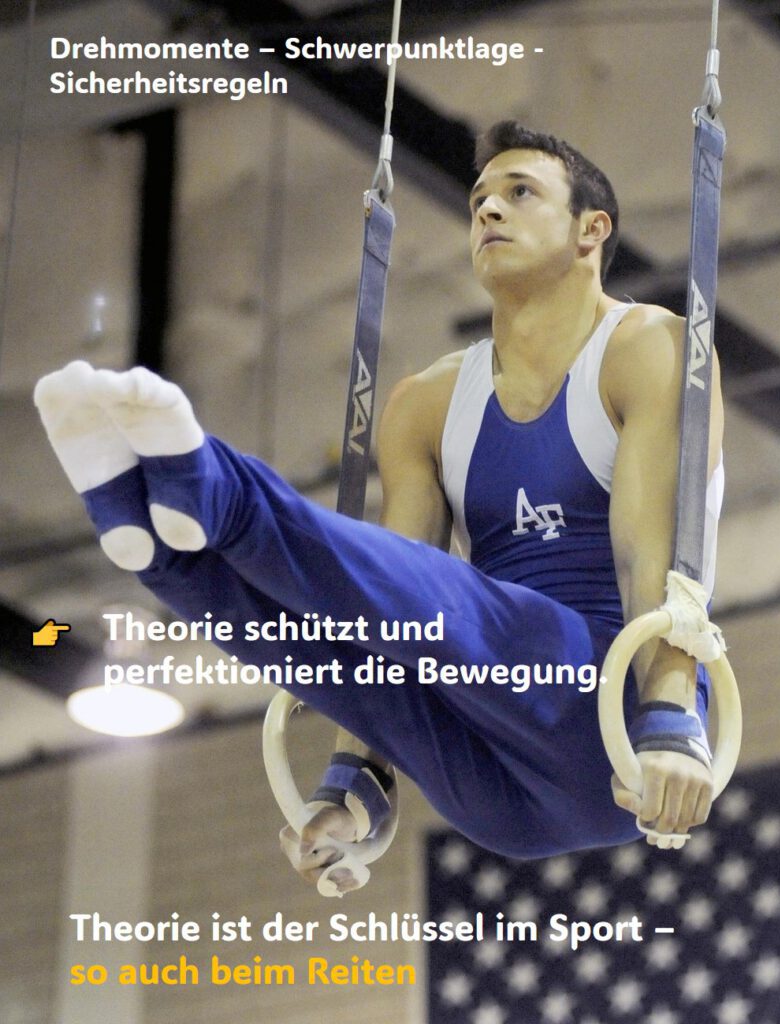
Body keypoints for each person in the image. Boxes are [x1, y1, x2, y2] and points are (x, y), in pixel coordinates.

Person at [35, 120, 724, 894]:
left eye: (520, 192)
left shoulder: (646, 346)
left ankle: (215, 490)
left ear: (590, 230)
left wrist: (671, 720)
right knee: (336, 635)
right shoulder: (425, 404)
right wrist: (352, 786)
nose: (488, 209)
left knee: (458, 606)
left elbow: (650, 563)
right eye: (479, 198)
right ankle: (158, 547)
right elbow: (383, 608)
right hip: (488, 790)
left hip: (608, 723)